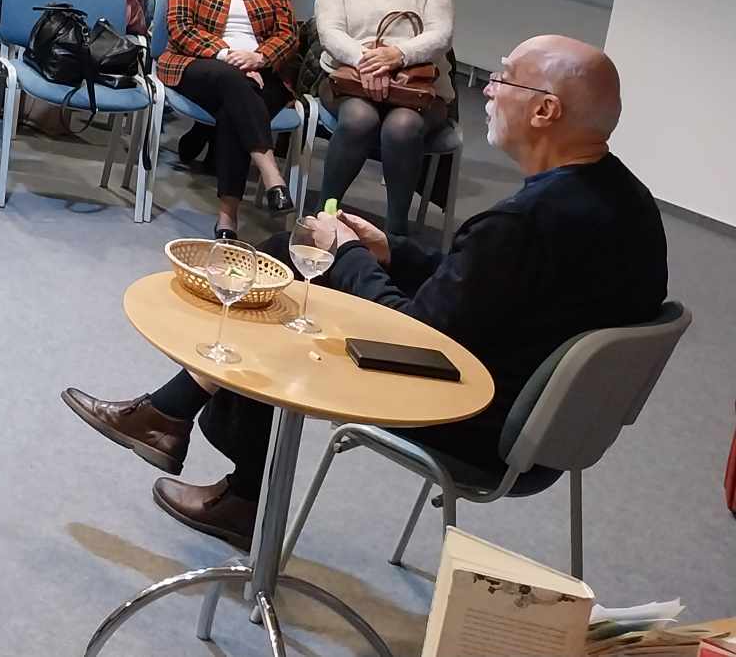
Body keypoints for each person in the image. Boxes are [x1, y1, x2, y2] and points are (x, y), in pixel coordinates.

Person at [61, 34, 666, 551]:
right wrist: (391, 252)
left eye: (504, 79)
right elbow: (492, 287)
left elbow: (414, 331)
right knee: (288, 257)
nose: (487, 89)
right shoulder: (626, 202)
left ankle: (218, 469)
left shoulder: (521, 223)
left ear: (545, 111)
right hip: (544, 420)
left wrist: (347, 254)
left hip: (470, 415)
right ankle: (173, 419)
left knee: (295, 303)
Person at [157, 0, 297, 239]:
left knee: (235, 106)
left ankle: (227, 218)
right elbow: (181, 29)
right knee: (234, 82)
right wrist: (229, 55)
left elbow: (288, 34)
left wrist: (259, 58)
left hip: (262, 70)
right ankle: (271, 174)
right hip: (199, 63)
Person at [314, 0, 455, 237]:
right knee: (359, 119)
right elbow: (330, 33)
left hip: (416, 88)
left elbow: (441, 34)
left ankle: (395, 232)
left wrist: (397, 56)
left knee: (402, 126)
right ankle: (323, 215)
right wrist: (369, 63)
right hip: (350, 80)